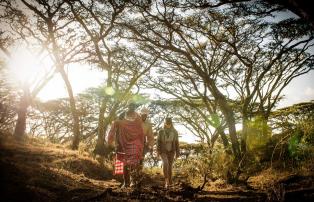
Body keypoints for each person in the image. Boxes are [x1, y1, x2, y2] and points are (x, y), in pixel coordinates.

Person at [108, 102, 144, 188]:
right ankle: (126, 182)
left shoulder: (138, 118)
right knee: (124, 163)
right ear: (128, 107)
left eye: (133, 107)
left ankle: (133, 181)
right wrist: (111, 140)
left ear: (135, 108)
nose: (132, 108)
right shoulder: (122, 115)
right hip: (122, 143)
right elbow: (114, 126)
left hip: (135, 142)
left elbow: (141, 131)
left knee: (133, 162)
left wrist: (142, 143)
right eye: (130, 106)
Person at [157, 117, 180, 188]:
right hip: (163, 151)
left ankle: (170, 182)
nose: (168, 124)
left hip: (171, 151)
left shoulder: (175, 132)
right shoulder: (161, 131)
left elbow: (176, 143)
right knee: (165, 163)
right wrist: (158, 151)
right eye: (167, 123)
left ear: (171, 123)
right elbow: (158, 142)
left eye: (169, 123)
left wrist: (177, 152)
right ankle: (166, 181)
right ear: (165, 123)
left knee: (170, 167)